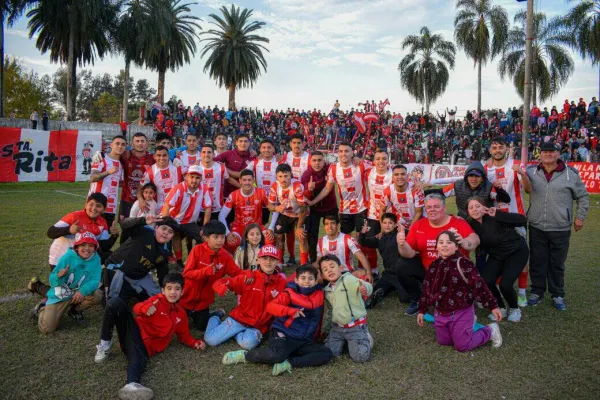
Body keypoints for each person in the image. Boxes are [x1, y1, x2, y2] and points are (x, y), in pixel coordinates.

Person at [102, 273, 205, 400]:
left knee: (138, 359)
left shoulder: (181, 314)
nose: (173, 292)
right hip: (133, 333)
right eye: (169, 288)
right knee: (115, 302)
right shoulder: (156, 300)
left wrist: (194, 342)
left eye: (177, 289)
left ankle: (131, 385)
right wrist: (145, 308)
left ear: (182, 292)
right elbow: (136, 308)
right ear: (163, 290)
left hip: (143, 349)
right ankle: (104, 343)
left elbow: (184, 335)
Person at [221, 264, 333, 376]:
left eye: (310, 278)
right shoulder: (289, 293)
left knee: (326, 353)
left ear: (315, 281)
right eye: (303, 278)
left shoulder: (319, 294)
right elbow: (270, 307)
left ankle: (289, 362)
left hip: (304, 340)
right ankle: (245, 355)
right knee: (277, 356)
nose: (307, 281)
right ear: (296, 280)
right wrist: (290, 311)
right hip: (285, 334)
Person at [95, 216, 178, 363]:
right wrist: (143, 220)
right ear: (156, 227)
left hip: (139, 277)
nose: (165, 233)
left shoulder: (164, 251)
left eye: (170, 232)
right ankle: (104, 342)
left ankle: (139, 303)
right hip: (117, 271)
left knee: (159, 299)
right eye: (163, 228)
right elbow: (124, 225)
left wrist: (170, 290)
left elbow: (163, 274)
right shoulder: (144, 231)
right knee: (113, 305)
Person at [525, 142, 589, 310]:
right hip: (537, 225)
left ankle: (557, 294)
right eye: (545, 151)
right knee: (537, 261)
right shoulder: (531, 172)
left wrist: (580, 217)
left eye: (552, 151)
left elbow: (582, 197)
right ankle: (537, 292)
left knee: (557, 263)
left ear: (559, 154)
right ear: (540, 154)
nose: (548, 154)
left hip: (561, 226)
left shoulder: (571, 174)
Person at [416, 231, 503, 352]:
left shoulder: (463, 263)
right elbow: (426, 288)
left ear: (456, 246)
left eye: (449, 242)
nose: (444, 245)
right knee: (444, 342)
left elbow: (479, 285)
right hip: (441, 312)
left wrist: (492, 306)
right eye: (441, 242)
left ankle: (490, 330)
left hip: (461, 310)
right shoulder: (434, 265)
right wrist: (422, 309)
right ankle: (467, 326)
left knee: (462, 346)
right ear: (436, 247)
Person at [397, 193, 479, 316]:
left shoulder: (458, 223)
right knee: (402, 265)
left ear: (444, 208)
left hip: (453, 272)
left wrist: (464, 242)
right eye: (429, 207)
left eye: (436, 206)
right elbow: (408, 254)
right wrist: (401, 244)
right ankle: (418, 299)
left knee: (449, 308)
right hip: (428, 272)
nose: (432, 210)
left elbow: (475, 239)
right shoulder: (418, 225)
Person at [206, 245, 287, 350]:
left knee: (249, 344)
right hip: (240, 319)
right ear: (258, 260)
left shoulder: (282, 282)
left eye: (272, 259)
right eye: (265, 258)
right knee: (210, 340)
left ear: (277, 262)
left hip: (258, 326)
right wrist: (221, 287)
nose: (268, 262)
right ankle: (215, 317)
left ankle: (233, 333)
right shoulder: (248, 278)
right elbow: (222, 282)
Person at [485, 136, 532, 306]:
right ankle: (499, 289)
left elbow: (528, 190)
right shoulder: (486, 169)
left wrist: (522, 174)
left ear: (506, 149)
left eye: (500, 147)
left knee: (521, 255)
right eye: (494, 147)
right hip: (495, 221)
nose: (497, 150)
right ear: (490, 150)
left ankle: (521, 292)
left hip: (515, 218)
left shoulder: (515, 166)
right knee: (497, 254)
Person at [466, 198, 529, 322]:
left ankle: (514, 308)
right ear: (467, 211)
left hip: (516, 251)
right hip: (497, 255)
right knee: (487, 280)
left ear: (484, 207)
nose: (474, 210)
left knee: (505, 284)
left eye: (477, 206)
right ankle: (500, 307)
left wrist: (499, 214)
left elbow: (523, 220)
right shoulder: (471, 224)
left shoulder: (494, 215)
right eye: (471, 207)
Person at [179, 221, 242, 331]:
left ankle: (215, 313)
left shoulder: (225, 256)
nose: (220, 240)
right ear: (206, 237)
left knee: (201, 327)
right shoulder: (197, 250)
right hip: (187, 296)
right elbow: (187, 273)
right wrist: (204, 271)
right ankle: (191, 313)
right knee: (178, 323)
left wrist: (252, 276)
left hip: (204, 301)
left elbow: (237, 274)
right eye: (216, 237)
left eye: (222, 237)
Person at [36, 232, 103, 333]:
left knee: (97, 294)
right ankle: (42, 308)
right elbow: (53, 280)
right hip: (61, 294)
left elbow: (95, 280)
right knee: (47, 329)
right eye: (83, 245)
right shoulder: (67, 257)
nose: (87, 248)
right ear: (76, 247)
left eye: (91, 245)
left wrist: (82, 291)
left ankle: (75, 311)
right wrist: (59, 276)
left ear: (95, 247)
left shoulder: (96, 258)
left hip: (77, 293)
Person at [320, 254, 373, 363]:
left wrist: (365, 288)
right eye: (325, 269)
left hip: (355, 326)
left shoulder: (348, 279)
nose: (329, 270)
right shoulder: (327, 291)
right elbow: (330, 312)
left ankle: (366, 338)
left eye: (332, 266)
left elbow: (367, 286)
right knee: (330, 352)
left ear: (341, 268)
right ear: (323, 275)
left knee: (360, 357)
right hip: (337, 328)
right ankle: (347, 342)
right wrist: (325, 330)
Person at [161, 165, 213, 270]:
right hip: (174, 219)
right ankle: (179, 262)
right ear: (187, 177)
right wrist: (165, 225)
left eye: (197, 178)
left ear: (201, 179)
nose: (194, 180)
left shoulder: (204, 188)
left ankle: (193, 259)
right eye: (192, 177)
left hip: (189, 222)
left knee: (203, 237)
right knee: (175, 235)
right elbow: (167, 206)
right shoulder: (179, 188)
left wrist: (204, 228)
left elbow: (208, 208)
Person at [218, 169, 276, 253]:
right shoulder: (234, 195)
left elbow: (274, 209)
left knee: (269, 240)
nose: (247, 182)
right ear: (240, 181)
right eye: (244, 180)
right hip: (239, 227)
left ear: (253, 180)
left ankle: (263, 262)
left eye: (249, 180)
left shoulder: (262, 193)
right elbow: (221, 215)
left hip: (257, 226)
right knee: (232, 242)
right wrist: (227, 233)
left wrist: (270, 228)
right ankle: (236, 262)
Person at [358, 213, 408, 309]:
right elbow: (364, 242)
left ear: (395, 224)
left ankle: (397, 286)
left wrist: (403, 230)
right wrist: (362, 234)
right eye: (385, 223)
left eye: (390, 223)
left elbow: (410, 235)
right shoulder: (379, 238)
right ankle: (388, 288)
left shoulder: (400, 235)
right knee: (374, 291)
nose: (387, 225)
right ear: (381, 224)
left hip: (400, 274)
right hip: (388, 274)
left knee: (405, 298)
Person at [267, 163, 310, 265]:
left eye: (286, 176)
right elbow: (269, 205)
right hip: (285, 214)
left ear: (291, 175)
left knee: (302, 237)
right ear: (276, 177)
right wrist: (276, 208)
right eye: (280, 176)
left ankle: (303, 264)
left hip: (300, 214)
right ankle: (279, 262)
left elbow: (303, 208)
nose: (283, 179)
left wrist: (299, 227)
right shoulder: (275, 186)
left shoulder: (297, 186)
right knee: (278, 236)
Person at [438, 161, 511, 219]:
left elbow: (506, 199)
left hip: (483, 220)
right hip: (464, 219)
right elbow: (440, 192)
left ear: (482, 178)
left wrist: (499, 189)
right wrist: (426, 192)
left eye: (477, 176)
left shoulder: (489, 186)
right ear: (466, 177)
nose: (474, 179)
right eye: (471, 176)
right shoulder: (458, 185)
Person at [301, 150, 338, 263]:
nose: (317, 163)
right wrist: (309, 190)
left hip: (330, 206)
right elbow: (304, 197)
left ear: (324, 161)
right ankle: (313, 260)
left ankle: (335, 257)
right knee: (312, 234)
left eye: (320, 160)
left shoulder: (330, 169)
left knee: (334, 231)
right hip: (314, 208)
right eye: (314, 160)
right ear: (310, 162)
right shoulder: (306, 175)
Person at [315, 214, 373, 282]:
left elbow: (361, 257)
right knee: (315, 274)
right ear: (324, 226)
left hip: (346, 274)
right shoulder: (320, 242)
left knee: (363, 273)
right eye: (327, 224)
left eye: (332, 223)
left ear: (338, 225)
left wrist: (369, 273)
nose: (330, 226)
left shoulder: (348, 239)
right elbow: (317, 262)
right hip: (329, 275)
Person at [362, 150, 393, 273]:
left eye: (384, 158)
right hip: (372, 214)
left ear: (388, 160)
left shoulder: (393, 174)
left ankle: (391, 272)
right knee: (370, 245)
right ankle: (374, 271)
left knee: (390, 246)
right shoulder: (369, 172)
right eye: (378, 158)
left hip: (390, 216)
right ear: (374, 161)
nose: (381, 161)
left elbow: (409, 180)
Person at [89, 135, 128, 227]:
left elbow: (117, 183)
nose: (120, 146)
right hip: (96, 203)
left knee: (106, 233)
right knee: (93, 231)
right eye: (117, 143)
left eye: (123, 144)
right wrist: (108, 172)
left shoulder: (121, 163)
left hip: (111, 205)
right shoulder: (101, 158)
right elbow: (93, 178)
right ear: (111, 145)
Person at [118, 133, 155, 227]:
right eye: (137, 141)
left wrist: (176, 153)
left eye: (142, 141)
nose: (140, 143)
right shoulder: (125, 156)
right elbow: (111, 156)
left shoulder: (152, 158)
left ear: (147, 144)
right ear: (132, 143)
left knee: (144, 228)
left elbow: (166, 156)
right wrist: (100, 155)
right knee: (125, 227)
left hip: (146, 199)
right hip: (127, 198)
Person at [379, 164, 424, 232]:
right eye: (396, 174)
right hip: (400, 224)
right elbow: (382, 210)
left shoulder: (416, 190)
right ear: (392, 177)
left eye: (403, 174)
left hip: (417, 223)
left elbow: (419, 213)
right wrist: (382, 230)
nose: (400, 177)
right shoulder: (387, 191)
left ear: (407, 176)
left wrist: (410, 230)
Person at [197, 144, 236, 221]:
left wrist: (242, 187)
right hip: (199, 208)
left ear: (213, 154)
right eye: (204, 152)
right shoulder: (196, 167)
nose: (206, 154)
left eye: (209, 152)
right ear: (200, 154)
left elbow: (229, 179)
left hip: (217, 207)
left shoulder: (221, 167)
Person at [138, 145, 183, 212]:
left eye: (164, 155)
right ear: (154, 157)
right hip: (159, 209)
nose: (162, 158)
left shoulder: (177, 167)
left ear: (168, 156)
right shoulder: (150, 171)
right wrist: (141, 200)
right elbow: (139, 188)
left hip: (177, 207)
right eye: (159, 155)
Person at [246, 139, 279, 225]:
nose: (266, 150)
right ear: (260, 149)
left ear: (273, 149)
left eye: (269, 147)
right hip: (260, 198)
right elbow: (244, 174)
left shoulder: (279, 161)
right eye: (263, 148)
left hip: (276, 199)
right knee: (260, 224)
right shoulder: (255, 162)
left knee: (277, 228)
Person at [215, 133, 256, 199]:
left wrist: (225, 169)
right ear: (236, 143)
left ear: (249, 143)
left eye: (245, 141)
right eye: (240, 141)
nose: (243, 143)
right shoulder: (228, 154)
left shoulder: (253, 156)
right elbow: (213, 161)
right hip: (228, 194)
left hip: (246, 194)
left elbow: (240, 174)